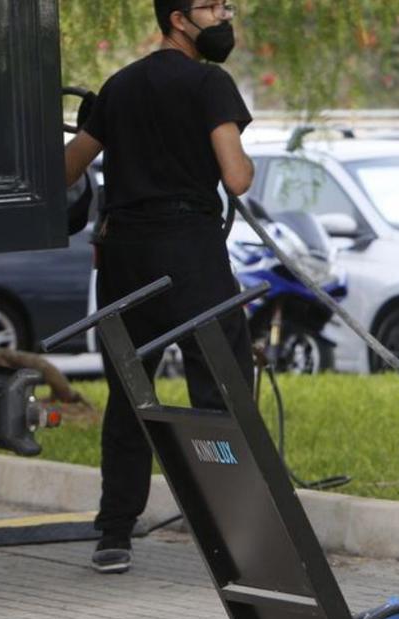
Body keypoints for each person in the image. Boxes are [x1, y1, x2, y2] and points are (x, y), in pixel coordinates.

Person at [63, 0, 254, 574]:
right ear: (177, 19)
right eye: (212, 6)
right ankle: (238, 541)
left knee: (130, 396)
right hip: (190, 255)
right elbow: (237, 177)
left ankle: (114, 535)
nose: (224, 14)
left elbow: (68, 168)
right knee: (221, 397)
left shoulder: (118, 86)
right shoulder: (209, 82)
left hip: (124, 257)